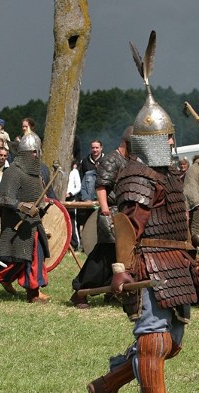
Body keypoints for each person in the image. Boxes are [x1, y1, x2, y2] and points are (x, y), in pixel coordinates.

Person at [87, 61, 199, 393]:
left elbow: (178, 221)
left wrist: (193, 257)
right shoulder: (137, 175)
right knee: (152, 340)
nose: (171, 142)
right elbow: (127, 227)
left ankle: (106, 384)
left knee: (173, 341)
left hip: (175, 264)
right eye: (166, 137)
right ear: (149, 141)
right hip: (150, 264)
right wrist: (121, 270)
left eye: (171, 135)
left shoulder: (169, 174)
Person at [0, 132, 50, 303]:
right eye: (34, 152)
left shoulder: (36, 174)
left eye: (37, 152)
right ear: (26, 153)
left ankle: (33, 292)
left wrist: (42, 206)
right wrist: (21, 206)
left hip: (33, 223)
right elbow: (4, 198)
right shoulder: (13, 172)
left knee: (36, 257)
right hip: (16, 224)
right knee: (15, 262)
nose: (36, 155)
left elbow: (39, 197)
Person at [70, 126, 132, 309]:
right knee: (103, 256)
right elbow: (101, 186)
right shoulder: (112, 159)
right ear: (127, 142)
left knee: (118, 255)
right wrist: (105, 211)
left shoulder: (130, 160)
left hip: (122, 213)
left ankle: (111, 291)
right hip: (110, 212)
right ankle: (80, 292)